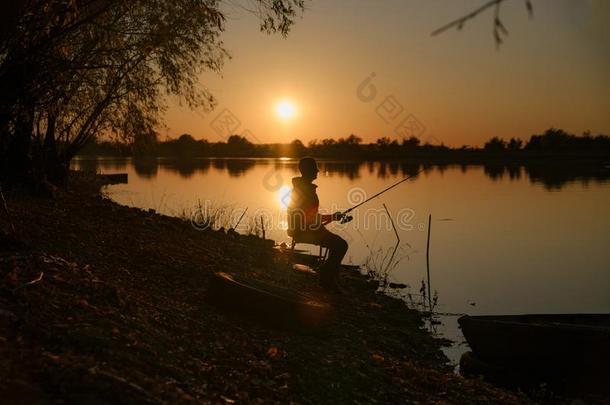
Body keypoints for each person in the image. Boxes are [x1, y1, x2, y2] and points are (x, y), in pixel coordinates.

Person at [287, 157, 348, 291]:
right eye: (315, 168)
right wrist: (332, 216)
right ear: (308, 171)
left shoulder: (303, 188)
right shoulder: (305, 191)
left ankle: (329, 277)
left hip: (305, 229)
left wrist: (331, 217)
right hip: (304, 231)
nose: (317, 171)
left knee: (338, 243)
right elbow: (308, 217)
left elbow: (310, 217)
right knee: (340, 245)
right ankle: (326, 279)